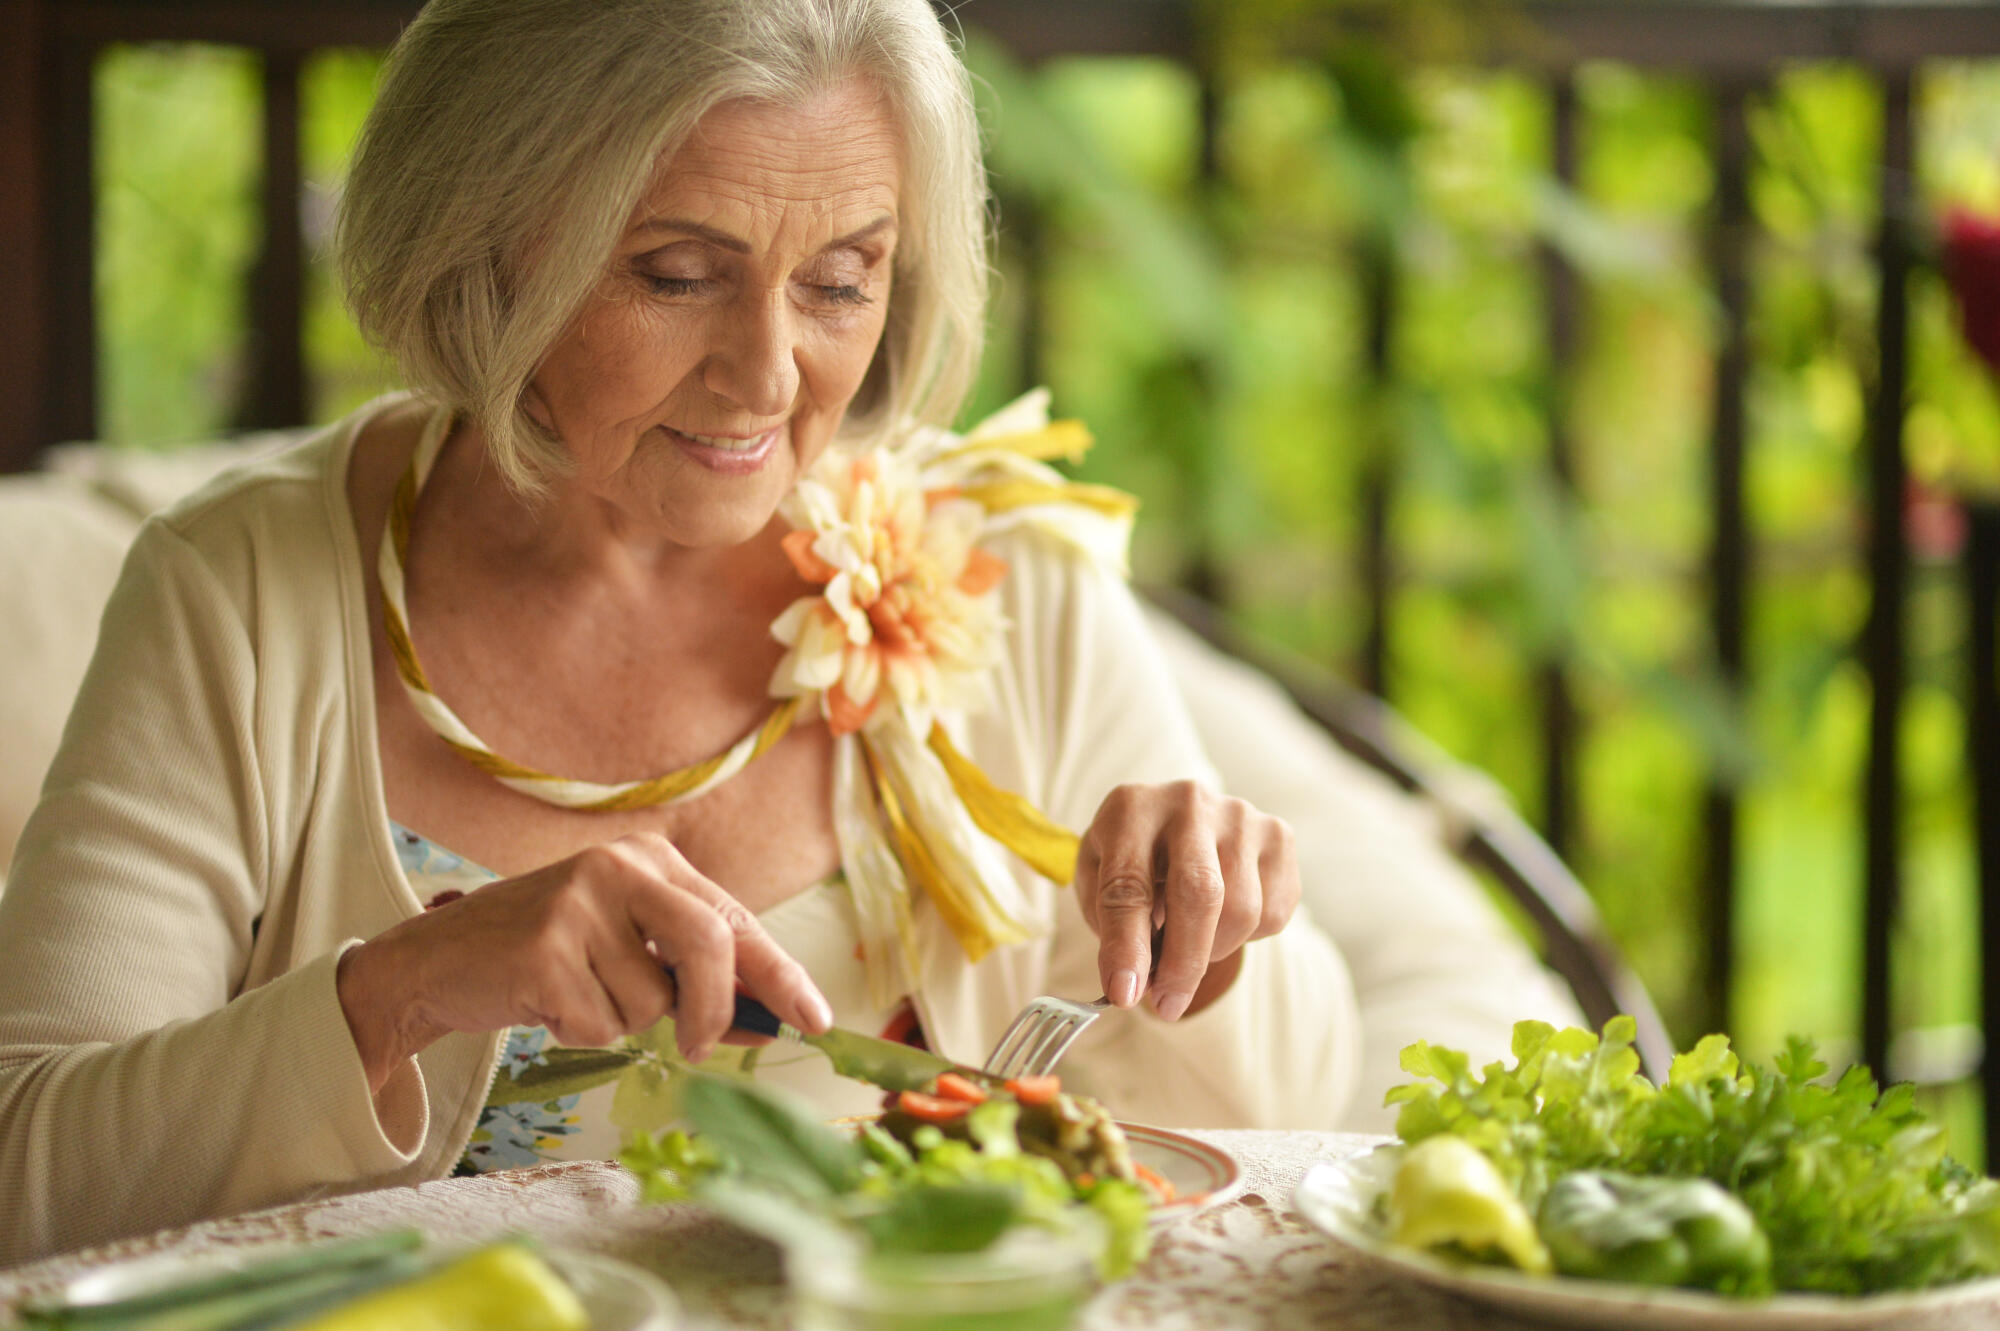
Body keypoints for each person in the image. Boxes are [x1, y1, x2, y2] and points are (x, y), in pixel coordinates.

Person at [0, 0, 1359, 1265]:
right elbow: (28, 1169)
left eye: (839, 281)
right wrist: (399, 991)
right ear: (483, 234)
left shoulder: (1002, 572)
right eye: (674, 274)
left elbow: (1283, 1129)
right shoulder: (241, 587)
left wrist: (1224, 940)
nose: (766, 376)